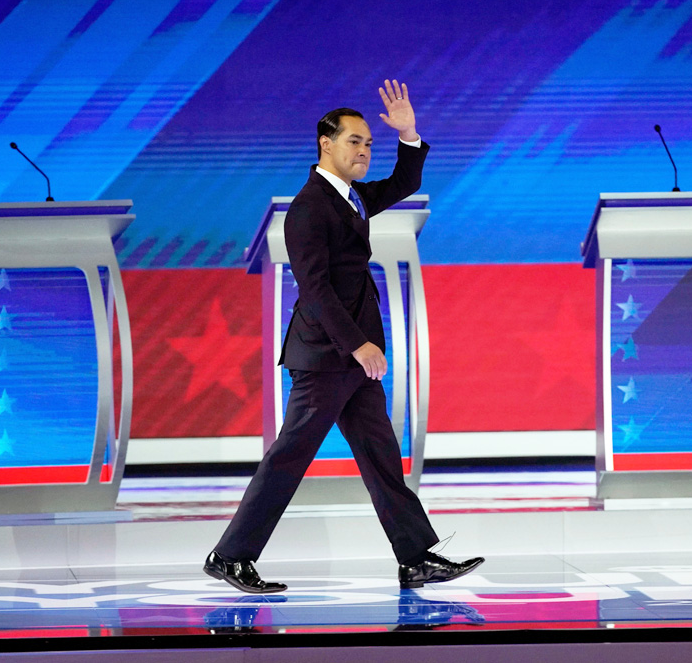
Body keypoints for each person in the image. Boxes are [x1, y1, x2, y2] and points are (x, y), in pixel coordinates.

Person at [204, 79, 484, 594]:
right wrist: (357, 344)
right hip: (327, 356)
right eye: (354, 141)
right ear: (325, 144)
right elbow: (314, 288)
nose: (363, 150)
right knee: (290, 456)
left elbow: (400, 184)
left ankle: (416, 557)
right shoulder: (311, 206)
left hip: (350, 361)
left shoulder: (350, 198)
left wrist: (408, 134)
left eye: (368, 143)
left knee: (381, 456)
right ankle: (230, 556)